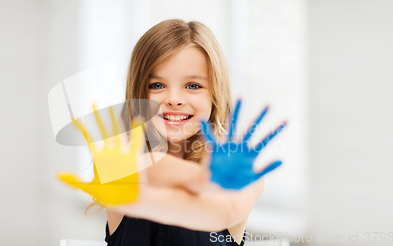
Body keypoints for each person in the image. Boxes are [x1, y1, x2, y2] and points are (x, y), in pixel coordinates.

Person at [58, 18, 285, 246]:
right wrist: (203, 178)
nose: (174, 100)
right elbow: (153, 168)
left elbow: (222, 213)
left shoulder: (243, 176)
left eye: (193, 86)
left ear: (215, 93)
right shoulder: (124, 167)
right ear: (139, 94)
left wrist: (211, 181)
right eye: (157, 85)